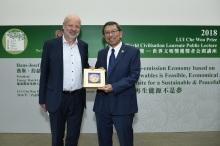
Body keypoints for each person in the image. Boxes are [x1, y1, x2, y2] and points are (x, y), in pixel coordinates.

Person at [39, 14, 91, 146]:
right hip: (57, 97)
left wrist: (95, 72)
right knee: (57, 137)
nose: (73, 29)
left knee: (73, 136)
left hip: (77, 98)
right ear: (63, 26)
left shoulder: (83, 46)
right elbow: (44, 72)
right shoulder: (50, 44)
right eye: (70, 25)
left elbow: (84, 66)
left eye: (77, 26)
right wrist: (42, 99)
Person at [93, 21, 141, 146]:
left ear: (120, 33)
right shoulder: (101, 53)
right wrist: (94, 73)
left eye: (113, 31)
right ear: (104, 36)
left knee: (125, 141)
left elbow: (134, 76)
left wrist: (114, 87)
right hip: (102, 105)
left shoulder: (132, 51)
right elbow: (100, 74)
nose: (110, 35)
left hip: (122, 105)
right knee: (104, 141)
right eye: (107, 33)